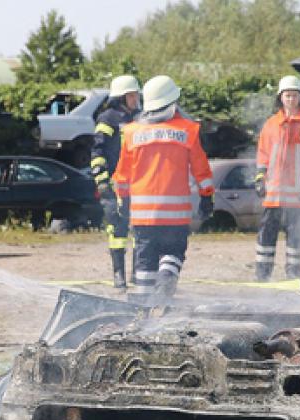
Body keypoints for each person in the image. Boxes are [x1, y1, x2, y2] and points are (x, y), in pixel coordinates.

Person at [111, 75, 213, 304]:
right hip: (175, 216)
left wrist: (123, 201)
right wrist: (207, 197)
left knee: (145, 262)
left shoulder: (131, 133)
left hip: (143, 217)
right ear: (173, 101)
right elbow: (202, 170)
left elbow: (122, 175)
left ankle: (142, 311)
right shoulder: (189, 131)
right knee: (173, 253)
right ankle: (166, 284)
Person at [254, 75, 300, 282]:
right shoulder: (271, 124)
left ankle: (294, 274)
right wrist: (260, 177)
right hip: (273, 193)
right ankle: (262, 274)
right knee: (266, 234)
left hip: (297, 192)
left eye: (294, 95)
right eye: (287, 95)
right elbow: (263, 154)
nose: (291, 99)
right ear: (281, 97)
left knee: (296, 235)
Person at [91, 75, 141, 289]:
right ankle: (118, 274)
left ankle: (139, 273)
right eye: (132, 95)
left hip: (139, 184)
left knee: (141, 231)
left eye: (136, 95)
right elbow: (98, 150)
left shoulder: (141, 118)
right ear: (121, 97)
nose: (136, 99)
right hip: (114, 184)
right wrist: (101, 180)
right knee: (117, 231)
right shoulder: (108, 119)